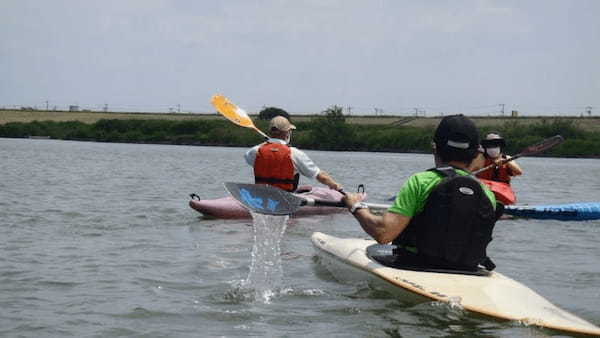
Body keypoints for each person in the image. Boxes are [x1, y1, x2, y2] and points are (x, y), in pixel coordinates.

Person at [343, 115, 499, 272]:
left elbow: (384, 234)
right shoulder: (487, 193)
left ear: (434, 147)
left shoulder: (420, 182)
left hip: (416, 265)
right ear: (474, 154)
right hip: (468, 270)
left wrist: (355, 205)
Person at [244, 115, 342, 192]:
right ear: (287, 133)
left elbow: (248, 158)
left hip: (261, 195)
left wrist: (268, 143)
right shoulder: (294, 153)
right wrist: (334, 185)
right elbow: (319, 175)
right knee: (295, 170)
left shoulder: (255, 150)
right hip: (286, 197)